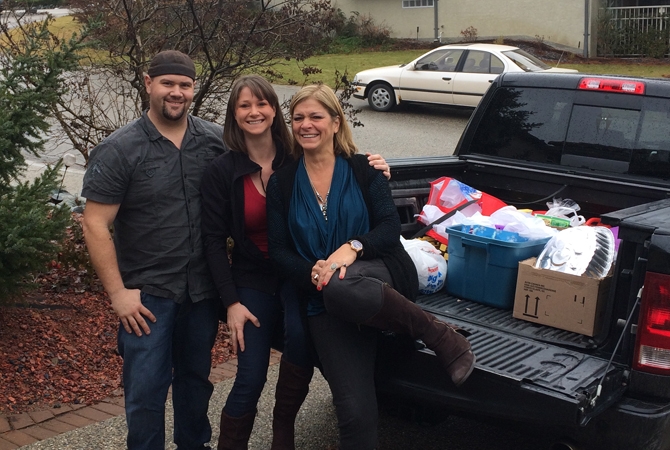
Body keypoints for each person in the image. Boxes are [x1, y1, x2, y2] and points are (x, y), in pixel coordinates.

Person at [266, 84, 476, 450]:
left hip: (379, 272)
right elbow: (279, 251)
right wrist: (311, 272)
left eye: (316, 116)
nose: (305, 125)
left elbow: (390, 228)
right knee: (355, 412)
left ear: (335, 122)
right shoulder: (282, 183)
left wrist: (353, 247)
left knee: (341, 284)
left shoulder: (364, 169)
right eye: (298, 118)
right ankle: (441, 334)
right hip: (322, 297)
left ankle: (441, 337)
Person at [200, 74, 391, 450]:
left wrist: (378, 168)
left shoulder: (296, 155)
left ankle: (282, 431)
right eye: (244, 105)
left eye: (262, 103)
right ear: (234, 114)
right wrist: (231, 302)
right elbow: (212, 241)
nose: (254, 112)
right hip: (254, 279)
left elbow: (343, 168)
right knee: (250, 374)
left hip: (300, 276)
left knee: (301, 346)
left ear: (274, 110)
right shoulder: (222, 171)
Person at [82, 50, 225, 450]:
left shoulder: (214, 141)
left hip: (201, 291)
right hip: (147, 297)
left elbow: (271, 162)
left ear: (193, 89)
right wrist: (117, 294)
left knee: (196, 383)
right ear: (148, 84)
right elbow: (95, 224)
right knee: (145, 391)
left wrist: (362, 165)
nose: (176, 92)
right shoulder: (120, 149)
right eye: (167, 83)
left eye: (184, 85)